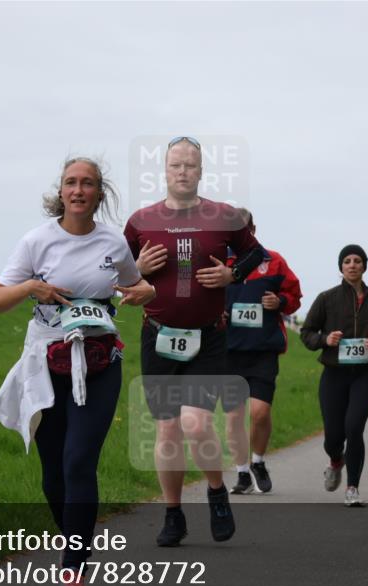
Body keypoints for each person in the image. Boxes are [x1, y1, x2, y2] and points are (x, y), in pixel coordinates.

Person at [0, 157, 155, 586]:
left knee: (79, 461)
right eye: (70, 183)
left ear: (101, 193)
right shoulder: (36, 241)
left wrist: (146, 292)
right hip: (45, 362)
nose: (78, 190)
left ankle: (73, 572)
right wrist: (29, 289)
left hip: (99, 362)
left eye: (88, 184)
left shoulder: (113, 242)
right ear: (60, 192)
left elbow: (138, 287)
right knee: (53, 475)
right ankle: (77, 541)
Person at [126, 136, 266, 546]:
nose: (182, 171)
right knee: (168, 431)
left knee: (196, 422)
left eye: (190, 165)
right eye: (175, 165)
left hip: (208, 338)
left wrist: (231, 275)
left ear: (201, 171)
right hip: (158, 336)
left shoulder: (222, 216)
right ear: (164, 170)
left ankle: (217, 491)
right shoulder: (140, 221)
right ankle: (173, 515)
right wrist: (135, 267)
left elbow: (254, 255)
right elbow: (117, 274)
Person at [300, 245, 368, 507]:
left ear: (364, 266)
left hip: (364, 375)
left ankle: (353, 487)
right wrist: (324, 339)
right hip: (334, 375)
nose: (352, 265)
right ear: (341, 267)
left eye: (357, 261)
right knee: (333, 436)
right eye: (347, 261)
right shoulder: (327, 298)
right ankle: (335, 460)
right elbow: (306, 333)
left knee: (354, 428)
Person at [221, 208, 302, 494]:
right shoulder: (219, 264)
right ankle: (242, 473)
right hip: (229, 351)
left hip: (263, 350)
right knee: (233, 418)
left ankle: (258, 461)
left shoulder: (274, 261)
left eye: (244, 229)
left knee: (259, 413)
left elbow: (295, 297)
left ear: (253, 229)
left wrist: (279, 301)